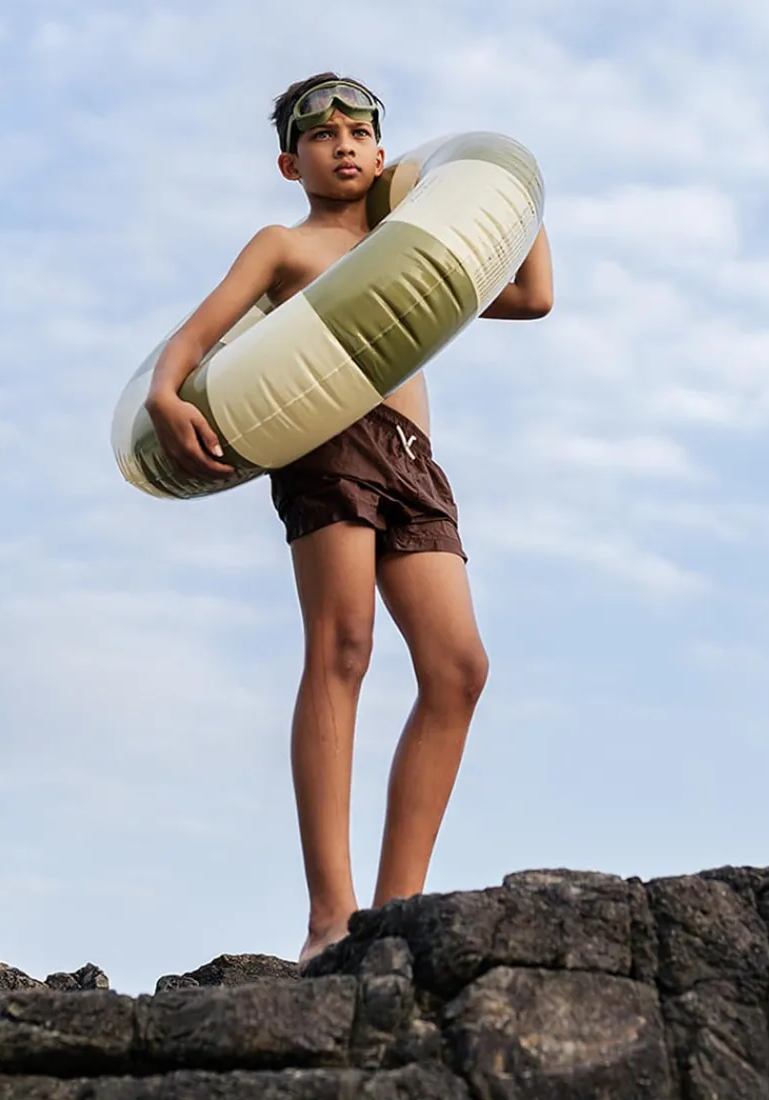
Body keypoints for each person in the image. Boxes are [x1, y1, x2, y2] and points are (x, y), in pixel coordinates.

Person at [145, 73, 554, 964]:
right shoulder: (284, 248)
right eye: (321, 134)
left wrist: (513, 192)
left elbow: (530, 296)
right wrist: (166, 394)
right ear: (290, 162)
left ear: (381, 150)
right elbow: (195, 335)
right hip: (324, 437)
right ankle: (330, 915)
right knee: (344, 646)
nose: (344, 144)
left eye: (360, 130)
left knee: (459, 667)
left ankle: (396, 908)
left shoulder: (413, 254)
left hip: (410, 456)